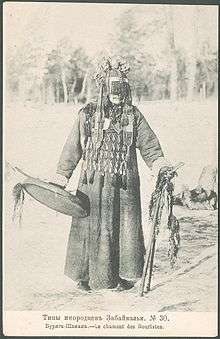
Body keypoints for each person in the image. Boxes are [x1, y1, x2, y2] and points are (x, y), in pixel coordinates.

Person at [54, 57, 170, 291]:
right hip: (92, 185)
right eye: (112, 91)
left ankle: (124, 276)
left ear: (125, 90)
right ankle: (84, 277)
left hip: (124, 185)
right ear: (104, 89)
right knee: (90, 228)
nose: (116, 95)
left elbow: (149, 145)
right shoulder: (87, 114)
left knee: (124, 229)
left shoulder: (133, 116)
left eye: (120, 91)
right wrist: (62, 176)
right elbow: (72, 146)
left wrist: (159, 165)